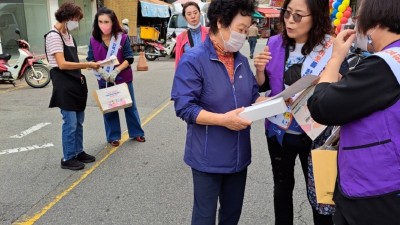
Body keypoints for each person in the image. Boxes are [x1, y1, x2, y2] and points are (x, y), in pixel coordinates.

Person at [253, 0, 349, 224]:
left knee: (320, 196)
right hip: (279, 132)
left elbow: (343, 88)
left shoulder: (331, 47)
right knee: (282, 188)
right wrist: (259, 70)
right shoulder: (275, 42)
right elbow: (264, 85)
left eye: (298, 16)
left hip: (316, 136)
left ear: (315, 17)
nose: (289, 21)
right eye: (287, 13)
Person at [171, 0, 266, 224]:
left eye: (246, 30)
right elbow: (184, 107)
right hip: (207, 157)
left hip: (239, 156)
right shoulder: (194, 60)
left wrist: (279, 101)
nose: (243, 36)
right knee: (204, 217)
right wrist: (223, 120)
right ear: (221, 23)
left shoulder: (241, 61)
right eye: (240, 29)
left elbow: (253, 97)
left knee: (231, 215)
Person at [307, 0, 400, 224]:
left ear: (373, 21)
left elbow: (321, 106)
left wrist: (336, 57)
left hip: (374, 190)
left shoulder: (385, 65)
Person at [45, 2, 100, 170]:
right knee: (69, 122)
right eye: (75, 19)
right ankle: (68, 157)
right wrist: (87, 65)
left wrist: (87, 64)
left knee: (79, 121)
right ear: (67, 17)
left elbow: (73, 60)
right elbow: (61, 64)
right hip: (63, 82)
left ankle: (78, 151)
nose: (77, 22)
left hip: (76, 81)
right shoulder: (54, 36)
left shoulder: (68, 34)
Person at [87, 7, 145, 147]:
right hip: (104, 79)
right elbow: (90, 59)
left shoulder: (121, 37)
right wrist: (102, 72)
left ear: (113, 22)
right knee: (109, 108)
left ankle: (136, 132)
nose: (103, 25)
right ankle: (113, 136)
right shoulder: (93, 40)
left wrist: (116, 71)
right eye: (100, 22)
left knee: (130, 106)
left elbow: (129, 58)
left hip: (122, 77)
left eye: (106, 21)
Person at [174, 1, 208, 68]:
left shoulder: (210, 33)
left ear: (200, 13)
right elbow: (178, 62)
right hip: (190, 75)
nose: (193, 16)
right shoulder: (181, 37)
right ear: (185, 17)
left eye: (195, 13)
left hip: (208, 74)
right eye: (189, 14)